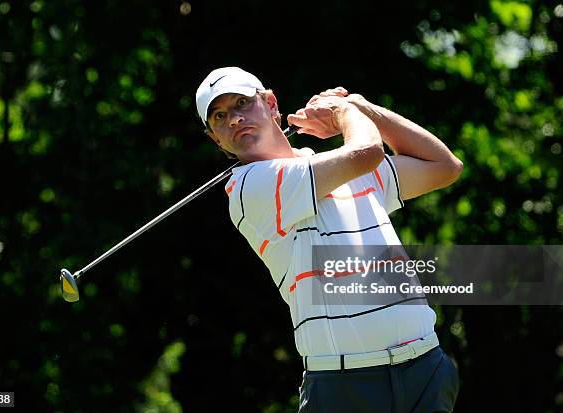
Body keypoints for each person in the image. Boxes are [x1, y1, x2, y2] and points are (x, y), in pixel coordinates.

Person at [195, 66, 463, 413]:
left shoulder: (339, 168)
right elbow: (367, 152)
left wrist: (362, 107)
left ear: (271, 103)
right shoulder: (248, 188)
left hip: (425, 367)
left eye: (242, 103)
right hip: (345, 386)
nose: (234, 119)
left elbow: (444, 166)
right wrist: (344, 112)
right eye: (220, 116)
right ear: (215, 138)